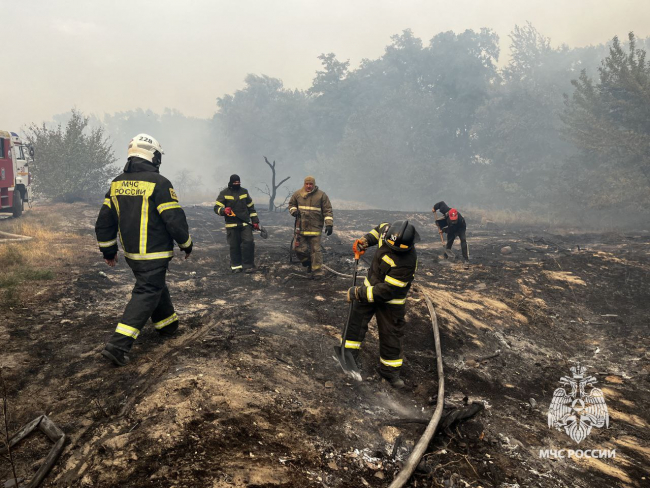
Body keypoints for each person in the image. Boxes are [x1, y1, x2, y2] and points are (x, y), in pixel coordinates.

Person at [95, 134, 192, 367]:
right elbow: (174, 219)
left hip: (132, 255)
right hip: (155, 252)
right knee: (148, 290)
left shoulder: (116, 183)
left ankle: (167, 324)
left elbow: (104, 221)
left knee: (154, 284)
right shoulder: (159, 183)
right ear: (152, 156)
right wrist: (186, 243)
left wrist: (109, 250)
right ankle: (118, 345)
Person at [344, 220, 419, 389]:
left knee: (391, 334)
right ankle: (347, 355)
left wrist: (358, 293)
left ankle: (390, 372)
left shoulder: (407, 261)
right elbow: (377, 231)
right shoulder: (386, 230)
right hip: (370, 287)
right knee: (355, 322)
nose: (393, 250)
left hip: (391, 301)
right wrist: (365, 240)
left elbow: (387, 291)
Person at [288, 176, 333, 278]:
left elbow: (327, 210)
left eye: (311, 184)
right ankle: (308, 263)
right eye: (307, 184)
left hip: (315, 228)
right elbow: (291, 204)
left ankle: (317, 271)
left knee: (315, 250)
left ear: (314, 184)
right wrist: (294, 211)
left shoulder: (321, 195)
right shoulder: (297, 194)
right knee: (298, 249)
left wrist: (329, 224)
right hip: (301, 228)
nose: (309, 186)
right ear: (304, 184)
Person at [214, 175, 260, 273]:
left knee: (248, 242)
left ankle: (248, 265)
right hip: (232, 225)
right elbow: (216, 208)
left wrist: (255, 221)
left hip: (245, 224)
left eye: (238, 182)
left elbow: (251, 207)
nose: (237, 184)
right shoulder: (224, 193)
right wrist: (223, 210)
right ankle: (236, 267)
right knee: (234, 246)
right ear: (230, 183)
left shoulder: (244, 192)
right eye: (235, 183)